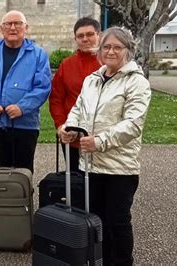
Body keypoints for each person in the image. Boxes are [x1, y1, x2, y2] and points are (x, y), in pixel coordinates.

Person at [59, 27, 151, 265]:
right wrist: (69, 128)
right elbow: (78, 110)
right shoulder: (92, 80)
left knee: (117, 222)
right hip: (90, 165)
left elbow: (132, 124)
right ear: (100, 50)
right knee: (94, 220)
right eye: (107, 47)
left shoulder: (136, 82)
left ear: (128, 51)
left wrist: (99, 142)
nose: (111, 51)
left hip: (119, 168)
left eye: (117, 47)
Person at [0, 10, 51, 173]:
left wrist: (22, 107)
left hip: (25, 125)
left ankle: (23, 198)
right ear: (2, 28)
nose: (13, 28)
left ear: (26, 27)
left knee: (23, 172)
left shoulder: (38, 55)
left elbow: (43, 87)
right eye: (8, 24)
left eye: (18, 24)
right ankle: (2, 199)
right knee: (0, 172)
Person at [49, 17, 101, 173]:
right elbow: (56, 98)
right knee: (76, 182)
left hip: (101, 139)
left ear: (99, 35)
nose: (85, 39)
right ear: (75, 39)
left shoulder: (108, 63)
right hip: (73, 138)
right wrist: (60, 126)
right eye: (80, 36)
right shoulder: (67, 65)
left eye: (90, 34)